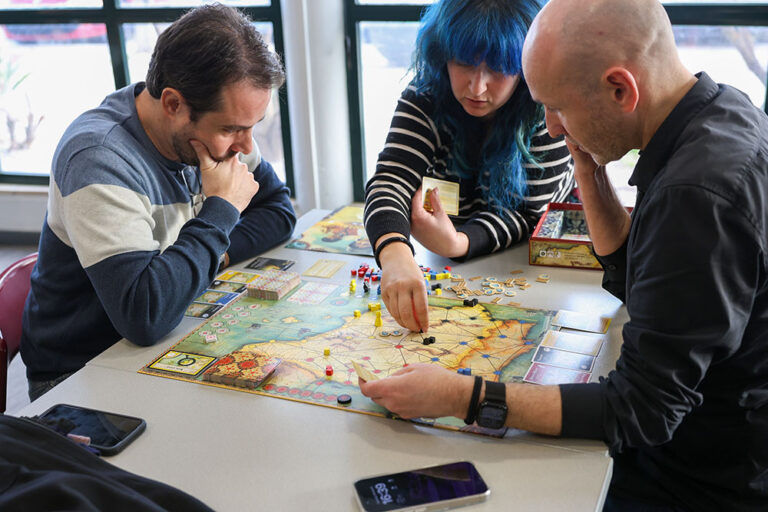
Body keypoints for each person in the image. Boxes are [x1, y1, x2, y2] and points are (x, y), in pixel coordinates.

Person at [360, 0, 768, 509]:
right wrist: (588, 170)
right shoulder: (719, 112)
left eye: (556, 107)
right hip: (701, 435)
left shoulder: (697, 195)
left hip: (701, 477)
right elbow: (637, 278)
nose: (551, 127)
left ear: (620, 90)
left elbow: (639, 411)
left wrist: (462, 396)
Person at [21, 4, 296, 401]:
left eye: (252, 127)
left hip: (168, 340)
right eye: (232, 129)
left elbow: (279, 211)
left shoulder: (212, 136)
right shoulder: (98, 158)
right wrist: (220, 211)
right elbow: (145, 315)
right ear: (173, 104)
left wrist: (206, 259)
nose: (246, 145)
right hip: (82, 375)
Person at [363, 0, 574, 333]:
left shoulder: (546, 110)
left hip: (538, 268)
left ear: (527, 65)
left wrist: (458, 243)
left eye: (498, 69)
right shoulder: (424, 97)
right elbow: (391, 179)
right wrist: (394, 253)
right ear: (442, 54)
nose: (477, 88)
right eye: (463, 63)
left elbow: (530, 215)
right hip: (455, 268)